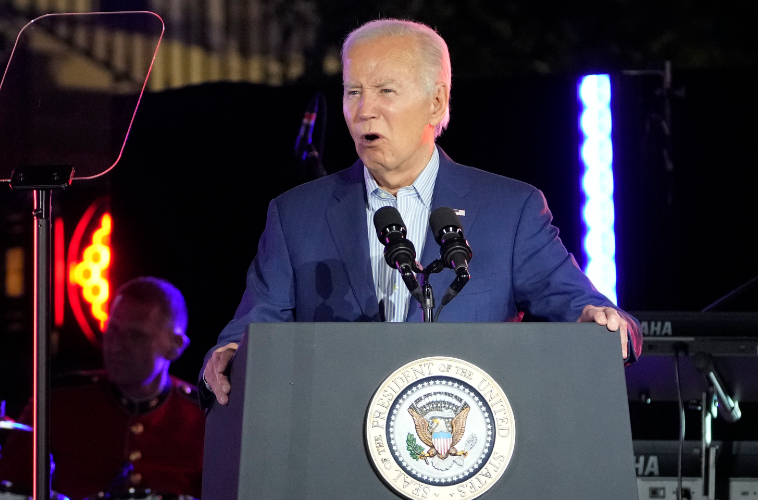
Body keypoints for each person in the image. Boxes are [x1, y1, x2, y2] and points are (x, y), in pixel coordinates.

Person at [201, 19, 643, 407]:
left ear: (435, 102)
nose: (362, 110)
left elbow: (582, 306)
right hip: (335, 450)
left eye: (384, 91)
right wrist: (229, 355)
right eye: (352, 91)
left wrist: (603, 322)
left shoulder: (510, 211)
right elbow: (252, 330)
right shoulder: (295, 215)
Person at [0, 277, 204, 500]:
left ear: (175, 347)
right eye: (113, 330)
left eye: (136, 336)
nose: (116, 346)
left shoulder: (201, 417)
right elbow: (11, 487)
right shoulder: (61, 401)